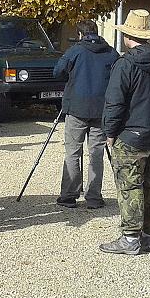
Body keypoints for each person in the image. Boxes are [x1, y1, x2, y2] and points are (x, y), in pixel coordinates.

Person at [101, 9, 150, 255]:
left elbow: (115, 102)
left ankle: (130, 238)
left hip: (130, 134)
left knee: (130, 185)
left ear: (128, 36)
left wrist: (110, 132)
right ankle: (148, 237)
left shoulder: (125, 64)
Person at [53, 19, 119, 210]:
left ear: (80, 34)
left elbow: (57, 72)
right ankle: (94, 197)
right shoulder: (111, 52)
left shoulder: (75, 51)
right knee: (96, 153)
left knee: (73, 152)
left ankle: (69, 196)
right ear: (97, 32)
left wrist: (71, 77)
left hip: (77, 107)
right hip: (101, 109)